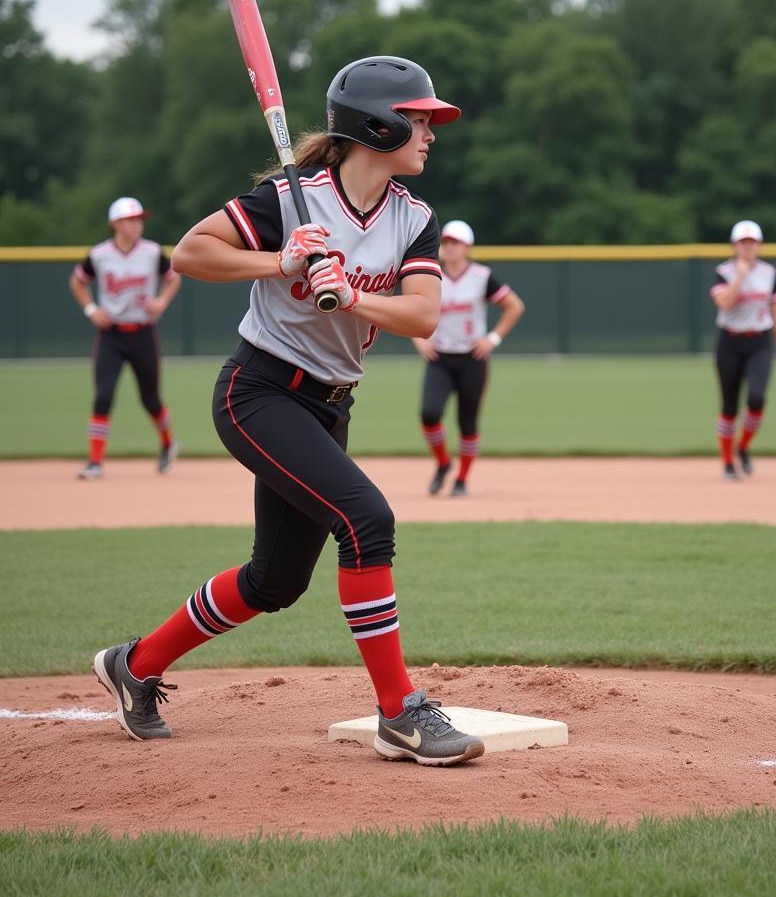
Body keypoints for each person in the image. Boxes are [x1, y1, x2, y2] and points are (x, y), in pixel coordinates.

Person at [92, 56, 485, 766]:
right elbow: (191, 254)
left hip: (330, 404)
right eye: (419, 118)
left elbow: (424, 316)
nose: (430, 132)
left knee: (274, 582)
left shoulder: (413, 218)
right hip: (259, 391)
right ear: (378, 122)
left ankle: (135, 664)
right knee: (368, 520)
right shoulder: (290, 198)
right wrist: (282, 260)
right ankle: (400, 713)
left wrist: (352, 293)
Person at [69, 197, 181, 479]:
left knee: (151, 399)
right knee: (103, 396)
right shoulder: (99, 255)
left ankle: (168, 443)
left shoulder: (153, 252)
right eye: (130, 219)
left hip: (142, 334)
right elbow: (77, 281)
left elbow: (174, 277)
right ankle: (95, 462)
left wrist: (162, 301)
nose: (136, 225)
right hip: (111, 335)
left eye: (139, 219)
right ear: (115, 223)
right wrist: (91, 309)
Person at [413, 220, 525, 496]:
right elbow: (412, 305)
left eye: (455, 243)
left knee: (468, 421)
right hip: (439, 357)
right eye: (446, 242)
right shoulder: (431, 275)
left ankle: (462, 480)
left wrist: (493, 339)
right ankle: (442, 463)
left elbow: (514, 306)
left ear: (467, 247)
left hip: (472, 359)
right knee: (429, 414)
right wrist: (418, 339)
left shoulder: (482, 276)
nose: (449, 247)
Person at [709, 220, 776, 480]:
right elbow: (724, 303)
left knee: (757, 398)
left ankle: (743, 446)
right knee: (729, 406)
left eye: (752, 242)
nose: (747, 247)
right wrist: (741, 276)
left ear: (759, 245)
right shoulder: (723, 272)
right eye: (743, 243)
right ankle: (727, 463)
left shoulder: (769, 273)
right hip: (730, 343)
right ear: (734, 246)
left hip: (759, 342)